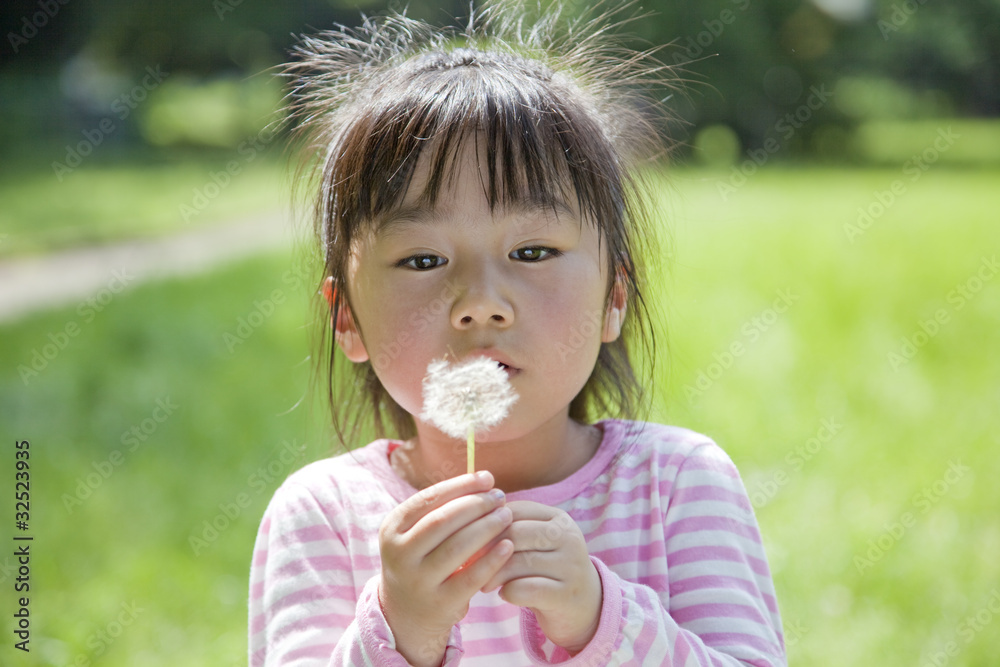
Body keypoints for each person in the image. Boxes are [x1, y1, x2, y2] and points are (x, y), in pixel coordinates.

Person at [249, 3, 786, 665]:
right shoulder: (324, 516)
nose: (480, 303)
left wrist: (599, 618)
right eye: (422, 260)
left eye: (532, 252)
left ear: (614, 298)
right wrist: (399, 631)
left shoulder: (677, 485)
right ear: (348, 319)